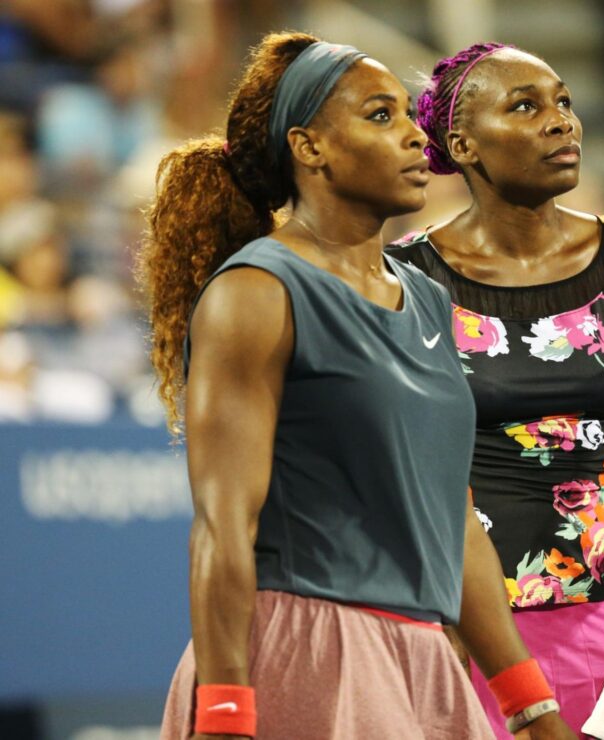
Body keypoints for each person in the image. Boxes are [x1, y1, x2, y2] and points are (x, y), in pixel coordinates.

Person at [137, 32, 574, 739]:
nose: (414, 135)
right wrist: (223, 711)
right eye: (379, 115)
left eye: (407, 113)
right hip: (302, 649)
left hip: (422, 660)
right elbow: (223, 526)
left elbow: (456, 524)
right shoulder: (256, 292)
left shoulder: (427, 298)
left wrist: (531, 706)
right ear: (310, 148)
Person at [388, 43, 604, 739]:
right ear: (463, 145)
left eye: (564, 102)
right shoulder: (406, 279)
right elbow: (403, 471)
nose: (561, 121)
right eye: (525, 106)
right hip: (465, 630)